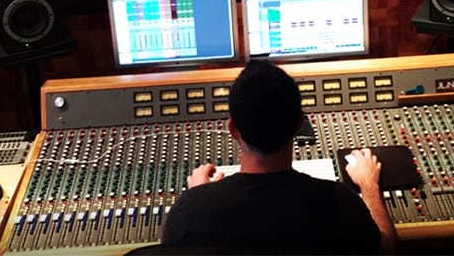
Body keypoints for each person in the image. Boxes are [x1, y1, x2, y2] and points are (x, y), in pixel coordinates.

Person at [160, 60, 397, 255]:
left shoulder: (188, 212)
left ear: (233, 129)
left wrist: (199, 197)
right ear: (299, 124)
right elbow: (386, 250)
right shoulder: (341, 203)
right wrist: (369, 186)